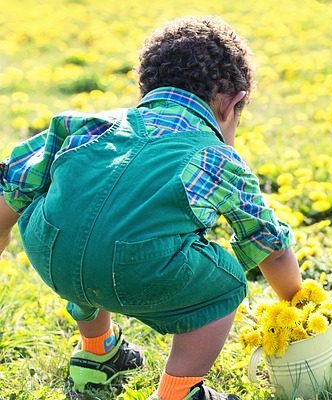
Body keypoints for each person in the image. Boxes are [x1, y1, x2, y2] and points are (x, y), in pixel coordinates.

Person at [0, 16, 302, 400]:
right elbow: (269, 247)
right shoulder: (215, 157)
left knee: (84, 217)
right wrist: (296, 303)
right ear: (233, 104)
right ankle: (177, 393)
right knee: (225, 283)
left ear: (146, 85)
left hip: (50, 255)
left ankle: (98, 357)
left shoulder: (87, 124)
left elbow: (16, 182)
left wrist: (3, 230)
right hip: (136, 270)